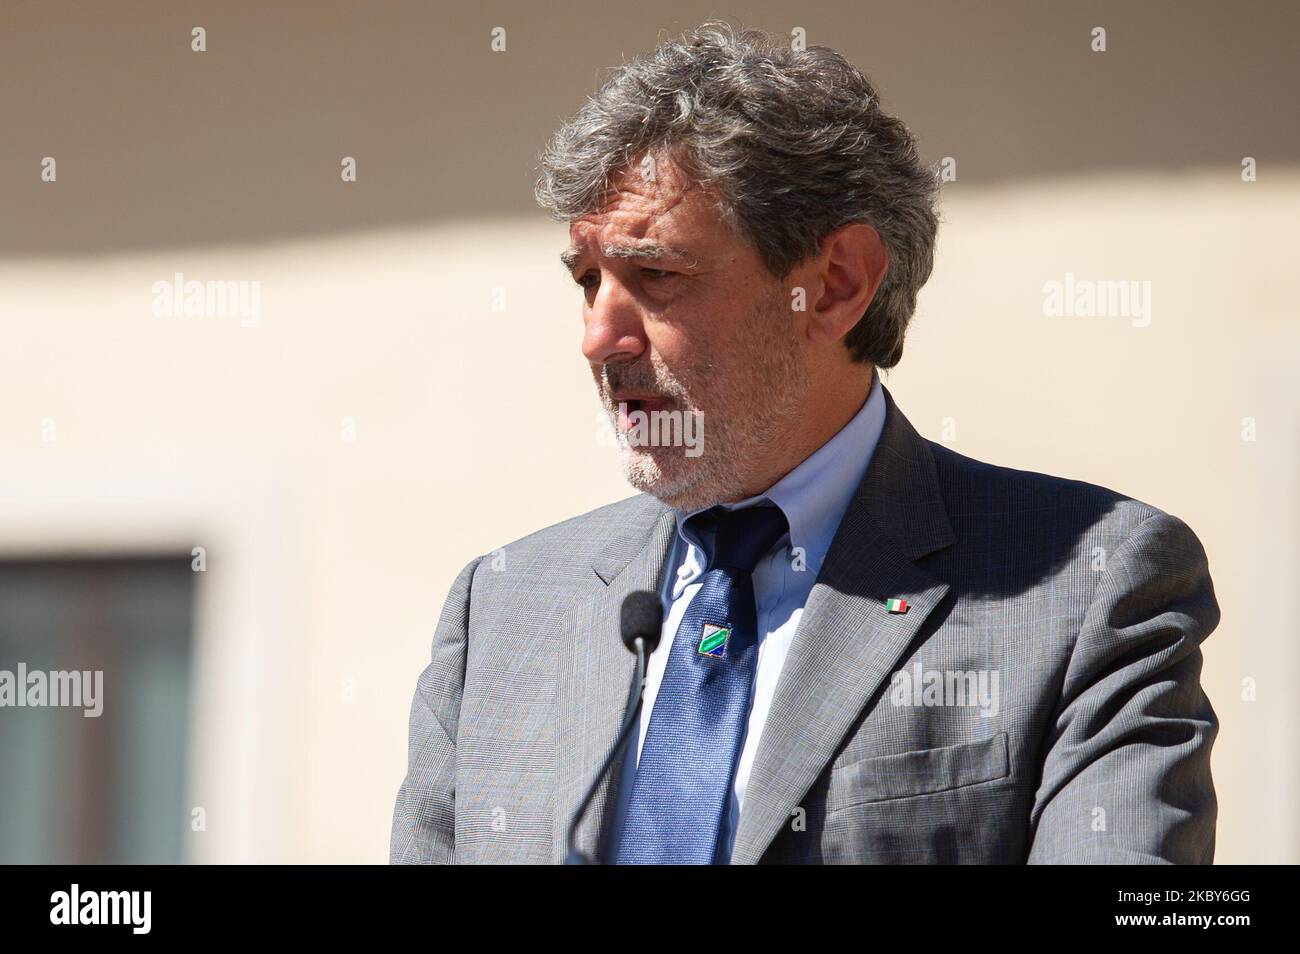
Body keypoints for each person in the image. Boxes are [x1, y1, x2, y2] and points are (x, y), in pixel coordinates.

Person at [390, 22, 1219, 864]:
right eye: (586, 281)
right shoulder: (501, 609)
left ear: (835, 286)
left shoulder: (1088, 582)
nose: (600, 336)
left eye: (658, 276)